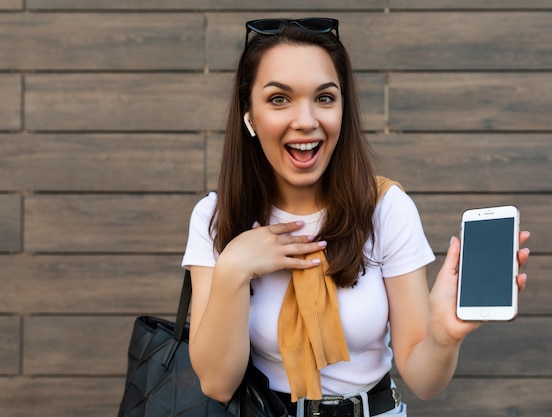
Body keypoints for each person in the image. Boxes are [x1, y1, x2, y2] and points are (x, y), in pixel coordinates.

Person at [182, 17, 530, 417]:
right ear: (249, 115)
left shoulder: (385, 208)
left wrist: (444, 335)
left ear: (343, 108)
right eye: (279, 99)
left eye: (325, 98)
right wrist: (232, 271)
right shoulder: (216, 216)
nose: (306, 120)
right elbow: (216, 383)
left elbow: (424, 381)